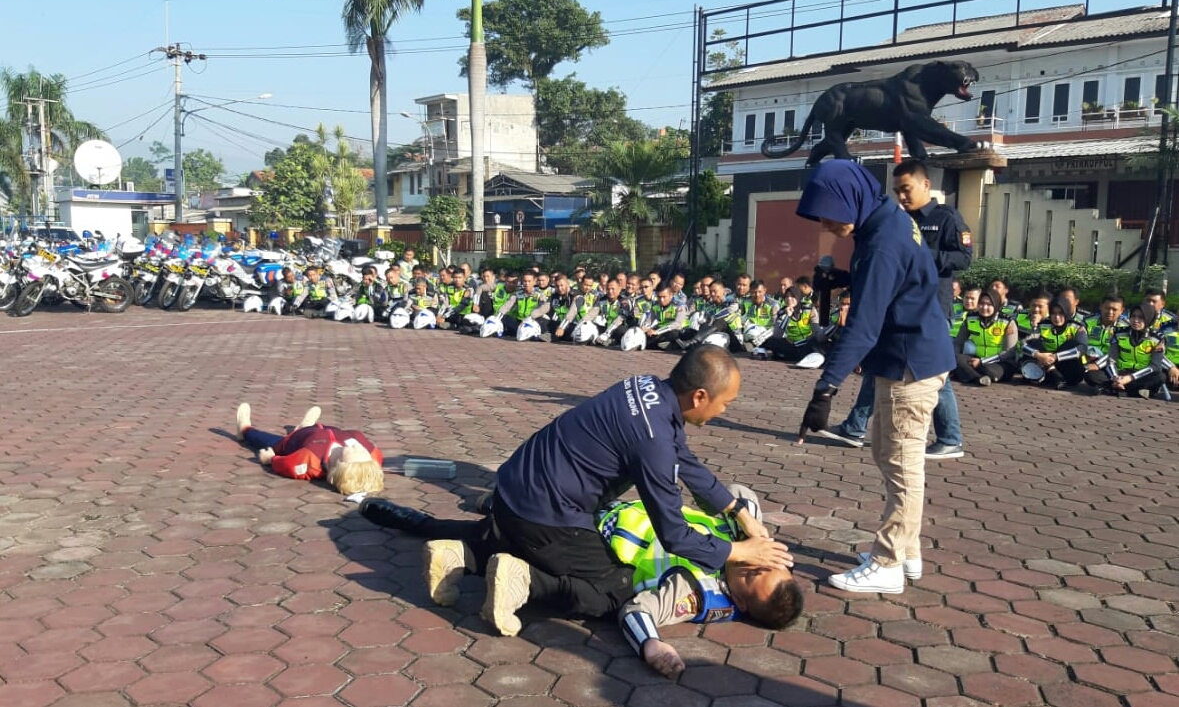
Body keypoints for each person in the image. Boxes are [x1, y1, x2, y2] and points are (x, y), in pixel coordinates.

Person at [360, 346, 793, 636]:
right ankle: (523, 583)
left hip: (512, 491)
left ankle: (460, 556)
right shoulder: (654, 441)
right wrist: (741, 553)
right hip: (546, 517)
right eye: (725, 404)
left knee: (520, 535)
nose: (724, 412)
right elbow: (674, 535)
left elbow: (689, 466)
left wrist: (740, 512)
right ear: (700, 396)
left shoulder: (645, 388)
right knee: (620, 587)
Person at [795, 160, 954, 595]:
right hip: (906, 356)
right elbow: (889, 285)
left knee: (904, 465)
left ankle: (887, 563)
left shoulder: (882, 240)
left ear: (852, 200)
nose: (826, 225)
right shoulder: (885, 220)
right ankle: (906, 549)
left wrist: (826, 387)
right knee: (887, 452)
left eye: (829, 214)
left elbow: (863, 325)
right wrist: (844, 279)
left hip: (911, 363)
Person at [826, 160, 967, 459]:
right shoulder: (900, 220)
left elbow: (964, 258)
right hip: (898, 307)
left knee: (932, 375)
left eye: (907, 189)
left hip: (932, 305)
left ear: (926, 184)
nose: (902, 196)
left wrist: (921, 255)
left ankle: (951, 436)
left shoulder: (946, 218)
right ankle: (855, 425)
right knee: (881, 365)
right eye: (897, 191)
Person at [603, 486, 803, 678]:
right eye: (769, 563)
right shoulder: (743, 539)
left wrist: (650, 644)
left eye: (751, 575)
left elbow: (636, 610)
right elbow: (739, 490)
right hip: (621, 504)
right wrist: (750, 529)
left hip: (600, 533)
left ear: (740, 602)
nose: (753, 561)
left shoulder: (695, 589)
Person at [234, 404, 385, 495]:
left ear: (341, 465)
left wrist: (270, 459)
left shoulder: (309, 462)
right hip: (319, 431)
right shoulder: (372, 455)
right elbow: (375, 458)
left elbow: (286, 465)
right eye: (364, 452)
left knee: (266, 440)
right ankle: (305, 426)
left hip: (294, 442)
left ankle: (245, 429)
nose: (358, 447)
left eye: (356, 452)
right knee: (308, 430)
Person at [1084, 303, 1167, 397]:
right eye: (1133, 316)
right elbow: (1111, 360)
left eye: (1141, 317)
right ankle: (1132, 391)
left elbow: (1154, 366)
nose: (1136, 320)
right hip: (1120, 373)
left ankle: (1110, 389)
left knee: (1160, 377)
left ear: (1149, 319)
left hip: (1140, 375)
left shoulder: (1158, 339)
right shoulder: (1119, 333)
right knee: (1090, 375)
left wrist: (1130, 378)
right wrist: (1115, 377)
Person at [1020, 295, 1089, 389]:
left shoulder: (1077, 327)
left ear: (1066, 313)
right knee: (1034, 342)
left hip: (1067, 367)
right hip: (1045, 363)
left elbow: (1083, 348)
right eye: (1053, 313)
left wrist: (1056, 357)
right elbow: (1024, 344)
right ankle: (1053, 373)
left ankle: (1055, 375)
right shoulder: (1043, 325)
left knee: (1072, 343)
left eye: (1061, 313)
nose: (1057, 317)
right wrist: (1038, 355)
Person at [952, 289, 1018, 386]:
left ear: (996, 305)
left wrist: (982, 361)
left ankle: (968, 374)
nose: (984, 307)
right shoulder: (970, 318)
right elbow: (958, 342)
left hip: (1000, 362)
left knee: (989, 371)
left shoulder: (1007, 322)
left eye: (989, 304)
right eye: (981, 303)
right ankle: (979, 378)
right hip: (975, 359)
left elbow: (1009, 352)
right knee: (956, 358)